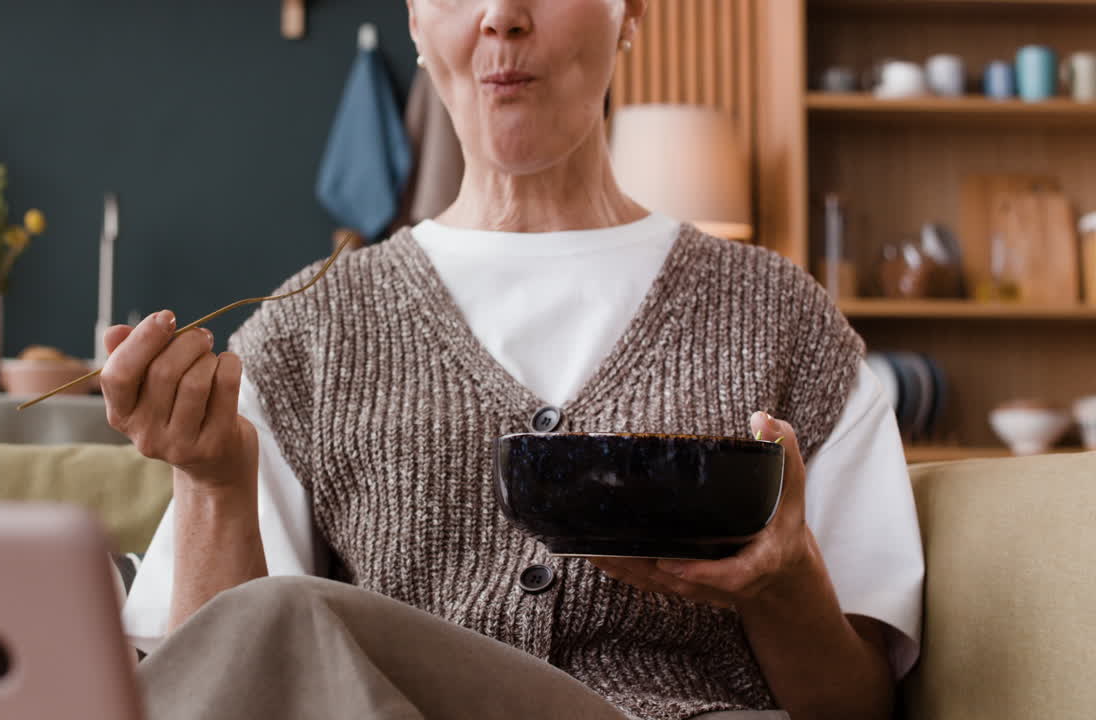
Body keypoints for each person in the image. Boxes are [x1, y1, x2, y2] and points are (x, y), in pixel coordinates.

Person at [111, 1, 924, 718]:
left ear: (631, 10)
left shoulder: (786, 322)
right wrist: (213, 481)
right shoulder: (306, 336)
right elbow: (226, 679)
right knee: (276, 621)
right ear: (417, 24)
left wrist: (783, 586)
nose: (502, 14)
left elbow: (855, 709)